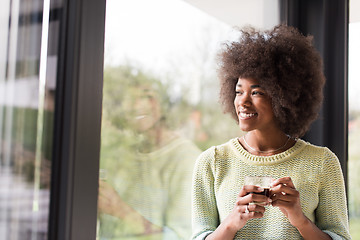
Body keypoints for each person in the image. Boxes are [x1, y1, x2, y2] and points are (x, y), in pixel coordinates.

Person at [191, 25, 351, 240]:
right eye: (239, 91)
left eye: (256, 92)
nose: (243, 102)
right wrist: (231, 223)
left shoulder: (322, 162)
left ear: (284, 97)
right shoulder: (213, 162)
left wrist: (299, 219)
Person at [97, 67, 201, 240]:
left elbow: (183, 237)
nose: (137, 105)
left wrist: (121, 210)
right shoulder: (123, 155)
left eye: (147, 96)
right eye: (129, 98)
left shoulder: (188, 161)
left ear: (163, 104)